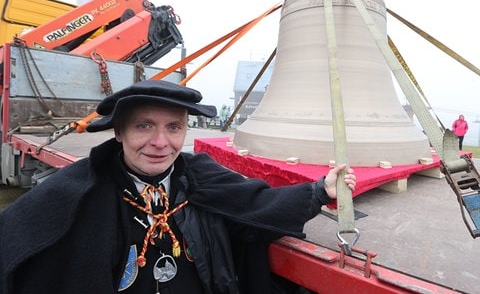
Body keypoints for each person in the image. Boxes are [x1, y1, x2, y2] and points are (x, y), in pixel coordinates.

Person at [0, 79, 356, 293]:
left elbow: (257, 203)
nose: (160, 142)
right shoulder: (78, 190)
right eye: (144, 126)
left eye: (174, 127)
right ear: (119, 132)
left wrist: (318, 191)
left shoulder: (200, 175)